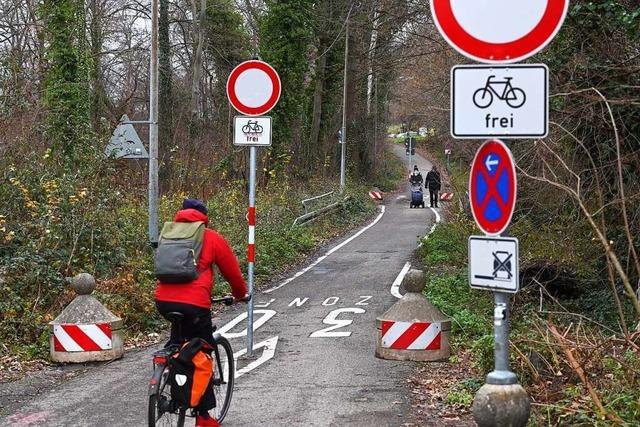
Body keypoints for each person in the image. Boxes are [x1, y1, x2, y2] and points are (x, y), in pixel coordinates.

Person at [155, 199, 249, 427]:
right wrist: (240, 294)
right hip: (195, 305)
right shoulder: (211, 237)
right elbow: (232, 271)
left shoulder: (168, 235)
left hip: (164, 302)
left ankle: (166, 371)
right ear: (204, 218)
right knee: (202, 355)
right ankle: (204, 417)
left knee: (178, 341)